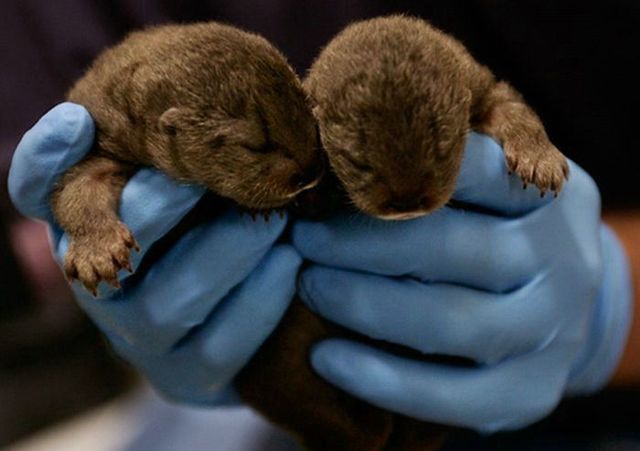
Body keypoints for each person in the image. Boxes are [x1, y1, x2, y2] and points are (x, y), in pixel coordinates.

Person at [3, 2, 639, 449]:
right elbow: (52, 209)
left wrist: (616, 303)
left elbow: (494, 100)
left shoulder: (457, 75)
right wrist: (102, 260)